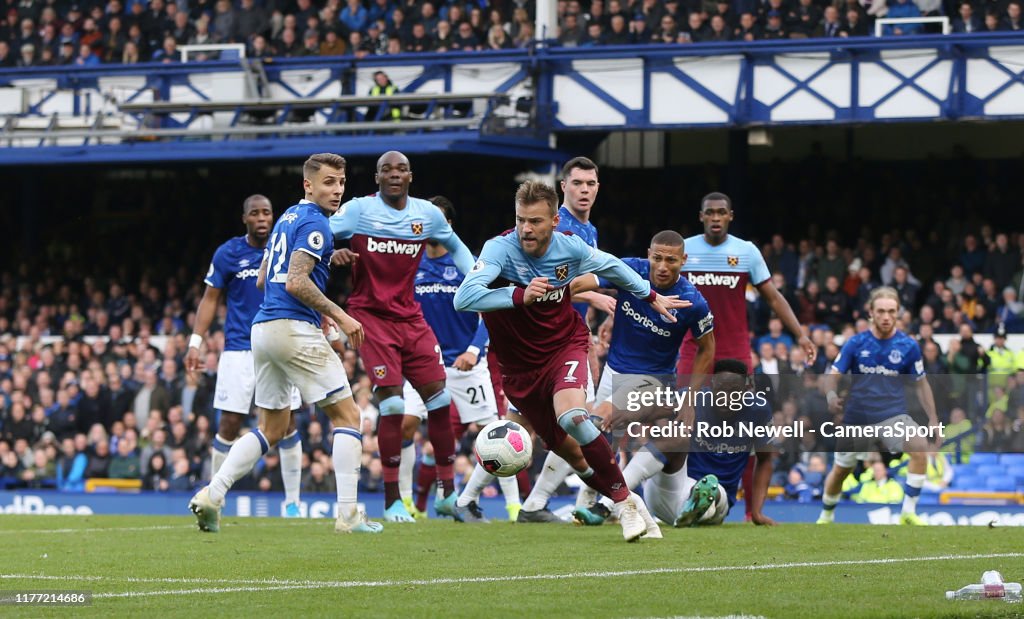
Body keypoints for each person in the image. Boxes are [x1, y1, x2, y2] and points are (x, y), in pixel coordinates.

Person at [454, 180, 691, 542]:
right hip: (518, 370)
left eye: (535, 221)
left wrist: (649, 295)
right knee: (575, 458)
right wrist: (519, 294)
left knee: (574, 417)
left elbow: (612, 266)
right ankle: (632, 506)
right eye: (520, 220)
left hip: (563, 346)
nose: (526, 229)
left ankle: (624, 508)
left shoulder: (570, 246)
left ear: (553, 220)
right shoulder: (499, 249)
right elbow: (465, 297)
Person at [189, 153, 381, 534]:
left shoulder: (286, 219)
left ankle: (213, 494)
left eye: (341, 182)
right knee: (348, 416)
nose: (337, 190)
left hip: (262, 330)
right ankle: (348, 515)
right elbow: (296, 281)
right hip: (292, 328)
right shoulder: (315, 224)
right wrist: (339, 315)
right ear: (308, 184)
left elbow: (264, 279)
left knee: (272, 428)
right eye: (328, 182)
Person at [328, 151, 475, 523]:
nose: (394, 175)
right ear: (376, 177)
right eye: (386, 170)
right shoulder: (359, 210)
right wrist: (334, 253)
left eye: (401, 169)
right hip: (370, 317)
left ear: (411, 176)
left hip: (411, 317)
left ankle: (447, 494)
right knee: (393, 405)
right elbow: (318, 236)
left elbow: (456, 248)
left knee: (440, 399)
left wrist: (478, 280)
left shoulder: (427, 215)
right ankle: (393, 500)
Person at [677, 191, 816, 522]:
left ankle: (754, 511)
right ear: (701, 217)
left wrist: (800, 333)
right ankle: (680, 497)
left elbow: (774, 297)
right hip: (692, 350)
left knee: (748, 427)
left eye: (721, 212)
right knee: (681, 423)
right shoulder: (685, 250)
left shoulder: (746, 251)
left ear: (730, 216)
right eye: (709, 212)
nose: (715, 217)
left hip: (735, 351)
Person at [567, 230, 716, 527]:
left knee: (597, 419)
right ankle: (593, 500)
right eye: (657, 258)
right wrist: (566, 289)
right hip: (614, 372)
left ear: (683, 261)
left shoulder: (692, 302)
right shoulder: (630, 270)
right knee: (596, 439)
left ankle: (606, 505)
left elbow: (708, 350)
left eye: (671, 260)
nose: (662, 266)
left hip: (655, 382)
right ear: (648, 254)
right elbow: (584, 282)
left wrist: (689, 398)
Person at [401, 196, 521, 523]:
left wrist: (474, 349)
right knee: (405, 424)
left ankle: (514, 508)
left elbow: (490, 311)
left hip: (466, 364)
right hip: (424, 363)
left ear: (449, 226)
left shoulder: (468, 262)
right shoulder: (410, 265)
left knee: (495, 434)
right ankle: (405, 503)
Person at [185, 195, 305, 518]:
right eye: (255, 213)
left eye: (267, 212)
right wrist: (196, 341)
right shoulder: (228, 253)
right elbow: (210, 299)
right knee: (229, 423)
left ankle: (292, 504)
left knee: (288, 422)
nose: (262, 218)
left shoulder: (286, 247)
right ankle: (214, 498)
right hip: (239, 349)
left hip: (279, 345)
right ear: (245, 219)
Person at [515, 156, 615, 523]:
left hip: (571, 335)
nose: (584, 190)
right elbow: (549, 285)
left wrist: (592, 325)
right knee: (574, 418)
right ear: (563, 188)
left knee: (565, 419)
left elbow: (580, 282)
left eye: (590, 184)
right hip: (548, 339)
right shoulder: (557, 229)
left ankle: (543, 503)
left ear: (598, 188)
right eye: (578, 184)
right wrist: (596, 296)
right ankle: (554, 502)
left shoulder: (589, 231)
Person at [816, 287, 942, 526]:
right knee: (842, 469)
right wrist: (831, 395)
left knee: (919, 446)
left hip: (892, 415)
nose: (886, 316)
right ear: (871, 313)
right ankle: (826, 515)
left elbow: (921, 383)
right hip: (857, 417)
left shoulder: (909, 346)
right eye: (881, 311)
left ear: (898, 314)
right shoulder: (856, 343)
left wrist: (933, 418)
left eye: (891, 311)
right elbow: (832, 376)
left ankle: (908, 512)